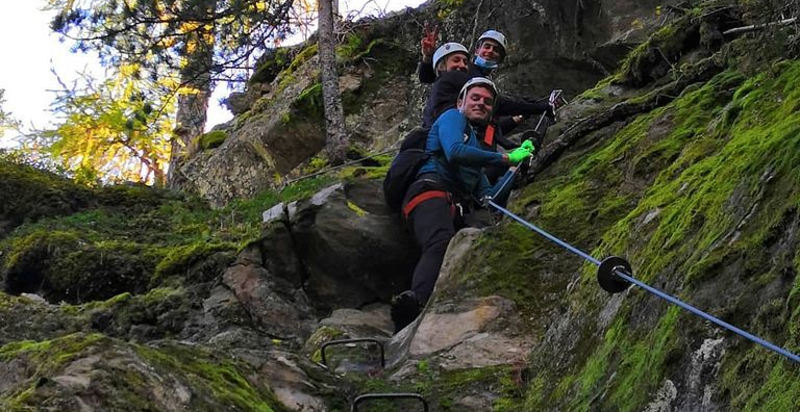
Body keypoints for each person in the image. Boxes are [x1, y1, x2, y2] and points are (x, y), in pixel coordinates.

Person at [391, 77, 535, 332]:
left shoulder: (477, 148)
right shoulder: (451, 119)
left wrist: (513, 169)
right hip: (429, 191)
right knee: (440, 241)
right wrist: (505, 157)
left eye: (488, 102)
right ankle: (415, 303)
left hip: (452, 204)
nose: (481, 103)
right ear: (461, 102)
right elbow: (454, 151)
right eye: (475, 98)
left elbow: (489, 198)